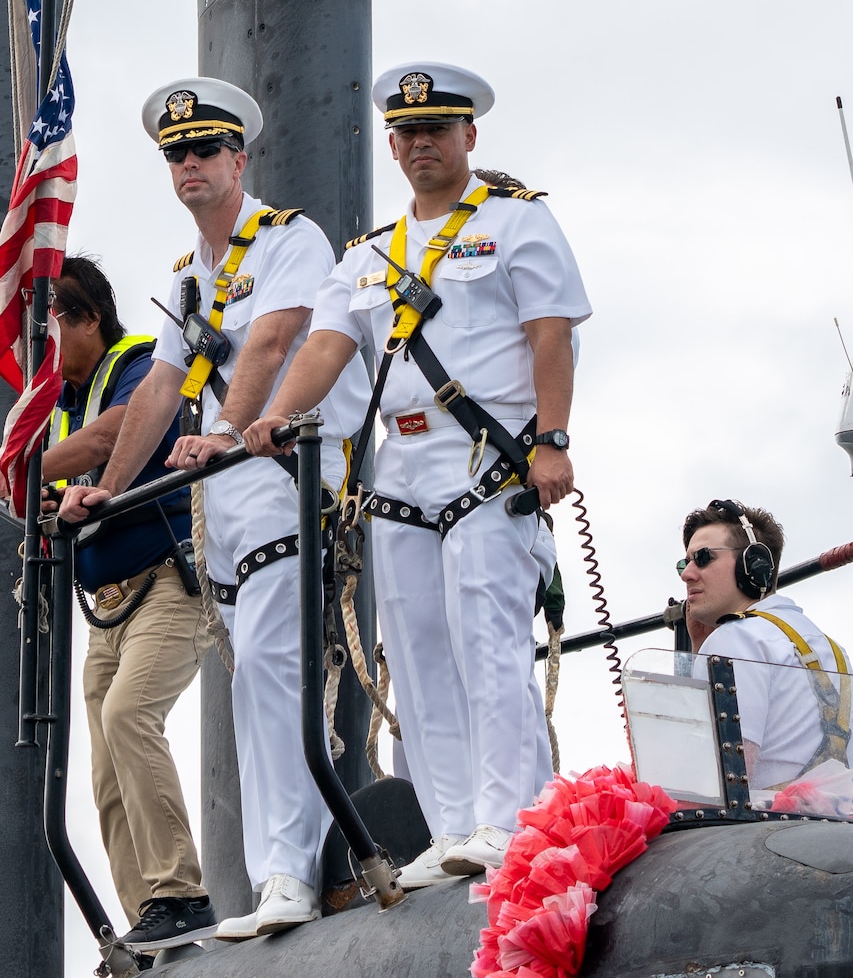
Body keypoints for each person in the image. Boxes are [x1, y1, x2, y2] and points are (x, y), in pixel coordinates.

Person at [243, 61, 592, 888]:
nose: (422, 143)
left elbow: (550, 335)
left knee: (486, 643)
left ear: (469, 136)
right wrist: (274, 417)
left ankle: (508, 820)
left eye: (438, 129)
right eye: (408, 133)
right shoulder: (368, 256)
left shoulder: (516, 225)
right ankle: (448, 827)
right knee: (419, 653)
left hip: (484, 462)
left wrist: (552, 441)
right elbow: (326, 346)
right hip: (396, 475)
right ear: (392, 147)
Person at [59, 78, 370, 941]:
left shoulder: (288, 237)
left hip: (279, 477)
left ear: (239, 159)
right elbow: (162, 388)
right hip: (221, 504)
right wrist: (111, 491)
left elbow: (274, 339)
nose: (189, 164)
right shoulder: (187, 279)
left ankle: (290, 873)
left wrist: (227, 430)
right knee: (253, 686)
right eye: (176, 154)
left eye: (204, 150)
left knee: (277, 672)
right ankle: (280, 869)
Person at [42, 256, 214, 954]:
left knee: (128, 715)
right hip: (104, 609)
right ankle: (153, 928)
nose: (35, 345)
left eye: (46, 324)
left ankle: (182, 896)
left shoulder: (139, 364)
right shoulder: (54, 409)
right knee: (106, 768)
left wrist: (17, 463)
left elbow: (116, 433)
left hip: (165, 583)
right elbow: (44, 494)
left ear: (85, 317)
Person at [679, 498, 852, 791]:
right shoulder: (834, 652)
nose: (687, 574)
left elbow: (719, 784)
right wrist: (699, 651)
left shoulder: (734, 638)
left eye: (704, 557)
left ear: (753, 564)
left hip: (763, 832)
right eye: (684, 563)